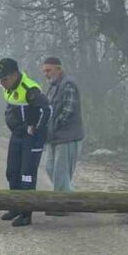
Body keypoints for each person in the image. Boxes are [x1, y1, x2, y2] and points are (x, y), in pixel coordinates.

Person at [0, 58, 51, 227]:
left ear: (14, 75)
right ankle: (16, 206)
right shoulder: (8, 88)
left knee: (27, 175)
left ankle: (26, 213)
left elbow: (47, 110)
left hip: (32, 139)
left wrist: (35, 128)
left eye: (4, 79)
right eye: (0, 80)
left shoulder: (30, 89)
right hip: (16, 136)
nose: (2, 83)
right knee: (12, 172)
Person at [40, 56, 84, 216]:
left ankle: (60, 206)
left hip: (67, 137)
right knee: (50, 168)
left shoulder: (68, 84)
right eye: (44, 71)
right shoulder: (52, 86)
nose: (46, 73)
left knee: (60, 171)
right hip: (54, 137)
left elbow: (68, 111)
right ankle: (73, 199)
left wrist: (52, 126)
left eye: (49, 70)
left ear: (59, 68)